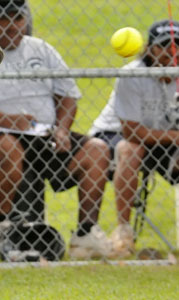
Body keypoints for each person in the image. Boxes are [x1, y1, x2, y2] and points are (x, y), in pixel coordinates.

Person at [0, 0, 112, 259]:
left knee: (97, 150)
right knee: (7, 145)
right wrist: (8, 121)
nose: (12, 25)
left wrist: (63, 130)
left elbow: (67, 96)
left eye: (17, 18)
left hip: (44, 135)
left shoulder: (41, 49)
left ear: (25, 19)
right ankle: (1, 229)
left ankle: (85, 234)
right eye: (3, 19)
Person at [98, 20, 179, 258]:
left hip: (163, 138)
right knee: (130, 149)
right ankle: (123, 233)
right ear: (151, 48)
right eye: (165, 46)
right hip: (115, 134)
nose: (172, 53)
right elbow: (132, 132)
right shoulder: (133, 75)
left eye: (177, 46)